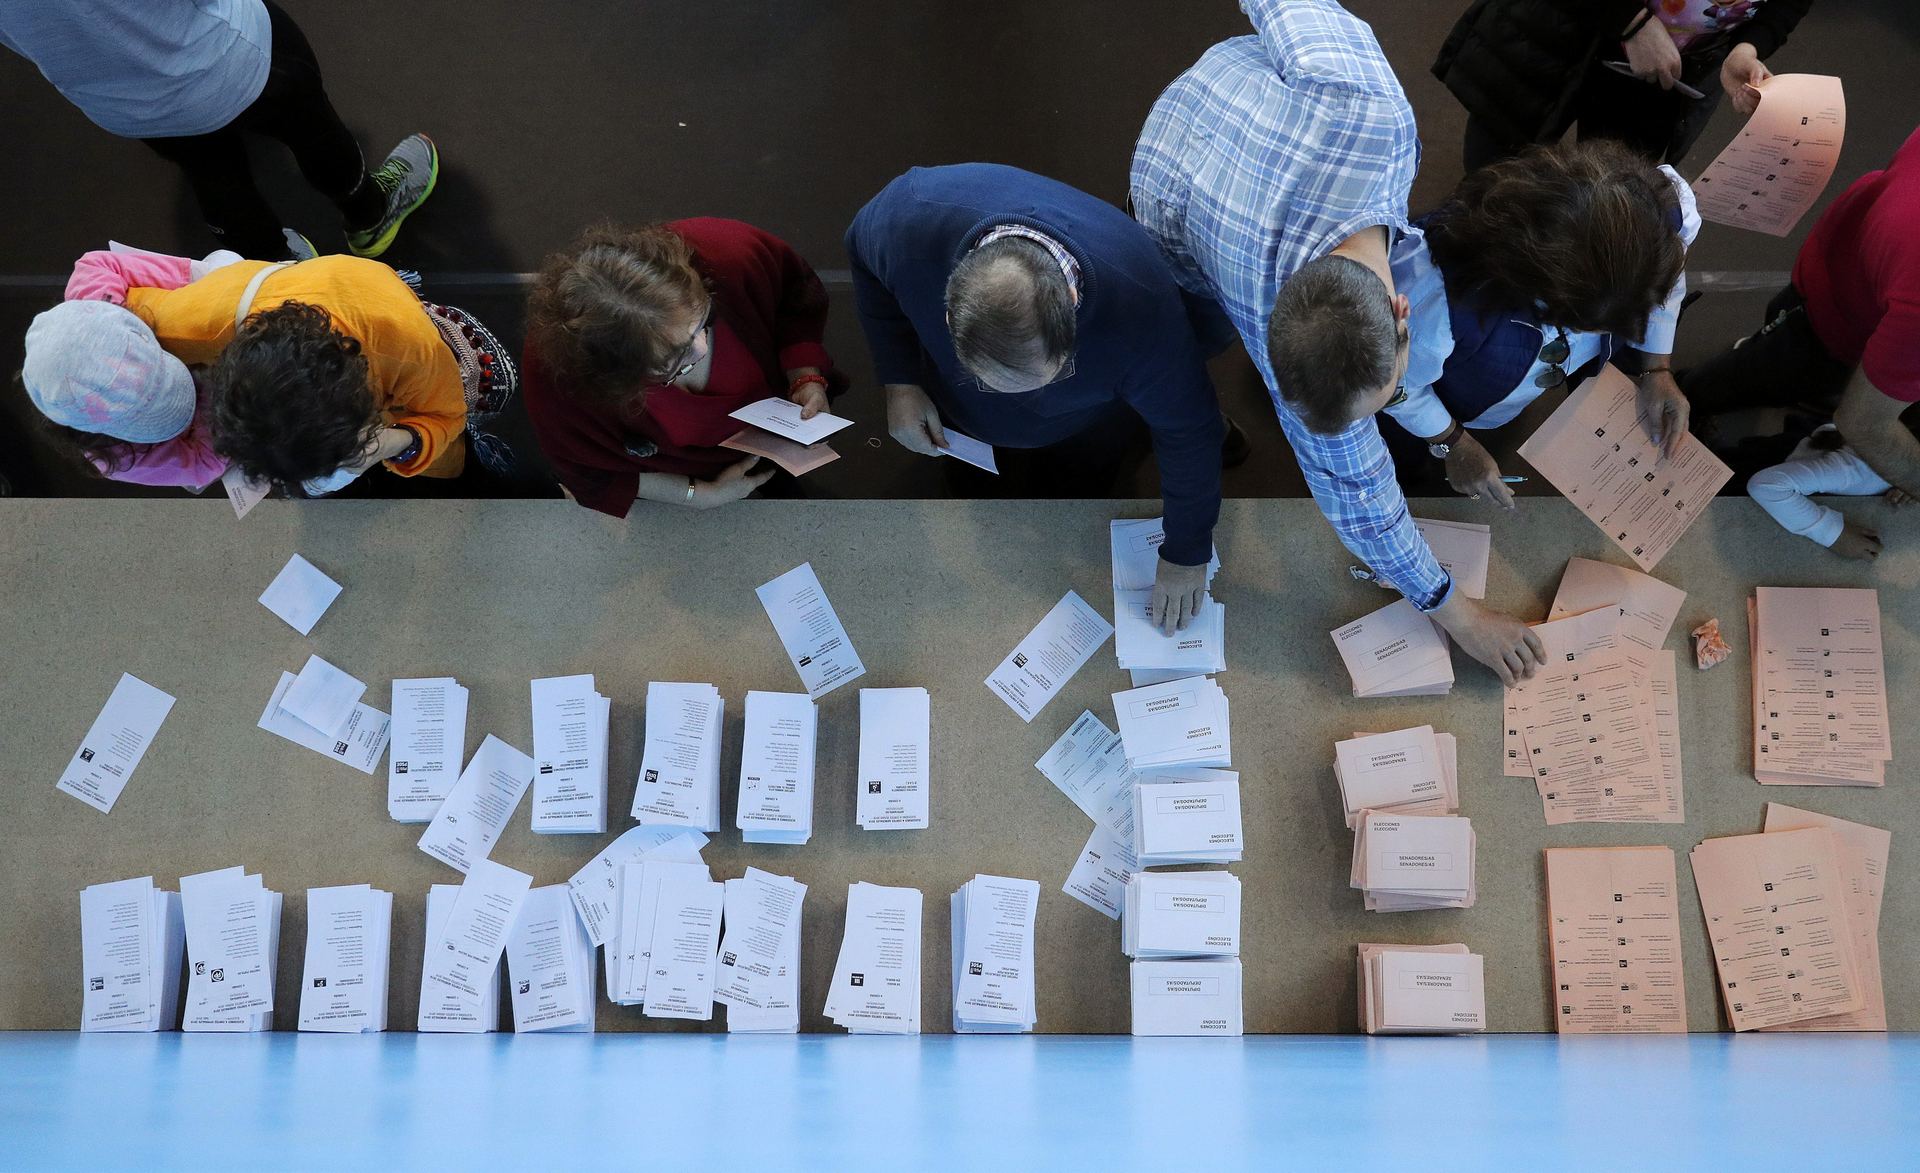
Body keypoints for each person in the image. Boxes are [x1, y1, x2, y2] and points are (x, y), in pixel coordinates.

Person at [1129, 0, 1542, 682]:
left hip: (1223, 121)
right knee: (1185, 337)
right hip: (1168, 191)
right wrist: (1458, 616)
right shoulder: (1364, 119)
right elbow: (1360, 497)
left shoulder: (1368, 111)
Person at [845, 163, 1226, 633]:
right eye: (989, 379)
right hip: (961, 419)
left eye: (1050, 374)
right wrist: (900, 379)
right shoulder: (909, 217)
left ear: (1070, 300)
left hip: (1090, 422)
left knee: (1082, 489)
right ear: (948, 319)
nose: (1026, 398)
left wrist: (1187, 552)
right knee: (975, 492)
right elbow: (862, 259)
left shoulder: (1142, 307)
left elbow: (1187, 429)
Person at [1378, 141, 1696, 504]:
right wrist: (1452, 443)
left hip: (1487, 389)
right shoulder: (1433, 300)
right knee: (1400, 458)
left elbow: (1666, 281)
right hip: (1434, 401)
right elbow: (1398, 384)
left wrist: (1657, 368)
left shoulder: (1656, 219)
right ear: (1533, 281)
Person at [0, 0, 437, 260]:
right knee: (310, 123)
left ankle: (279, 273)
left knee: (210, 172)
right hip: (226, 53)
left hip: (118, 98)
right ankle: (370, 216)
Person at [78, 251, 513, 492]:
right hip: (321, 291)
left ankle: (448, 331)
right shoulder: (190, 323)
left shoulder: (410, 351)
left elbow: (447, 418)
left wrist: (394, 441)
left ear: (367, 403)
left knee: (474, 400)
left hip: (387, 312)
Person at [523, 220, 846, 515]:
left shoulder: (729, 255)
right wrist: (699, 495)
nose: (702, 349)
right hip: (677, 476)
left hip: (773, 437)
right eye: (675, 360)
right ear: (617, 377)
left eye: (703, 322)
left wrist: (805, 376)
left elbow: (795, 298)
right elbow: (587, 471)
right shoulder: (560, 382)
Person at [1682, 126, 1920, 521]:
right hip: (1828, 325)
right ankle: (1687, 403)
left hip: (1843, 268)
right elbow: (1863, 424)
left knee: (1771, 361)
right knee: (1753, 374)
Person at [1433, 0, 1811, 171]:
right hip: (1559, 29)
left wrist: (1748, 46)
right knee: (1497, 175)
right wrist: (1631, 21)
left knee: (1607, 191)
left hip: (1665, 73)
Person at [20, 246, 244, 490]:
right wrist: (227, 401)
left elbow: (97, 263)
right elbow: (202, 463)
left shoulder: (96, 299)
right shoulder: (115, 456)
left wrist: (196, 282)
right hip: (224, 409)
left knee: (226, 264)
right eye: (150, 411)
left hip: (184, 339)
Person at [1746, 425, 1914, 561]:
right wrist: (1834, 534)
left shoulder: (1899, 458)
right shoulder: (1857, 471)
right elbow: (1765, 486)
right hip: (1757, 479)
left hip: (1809, 454)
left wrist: (1909, 487)